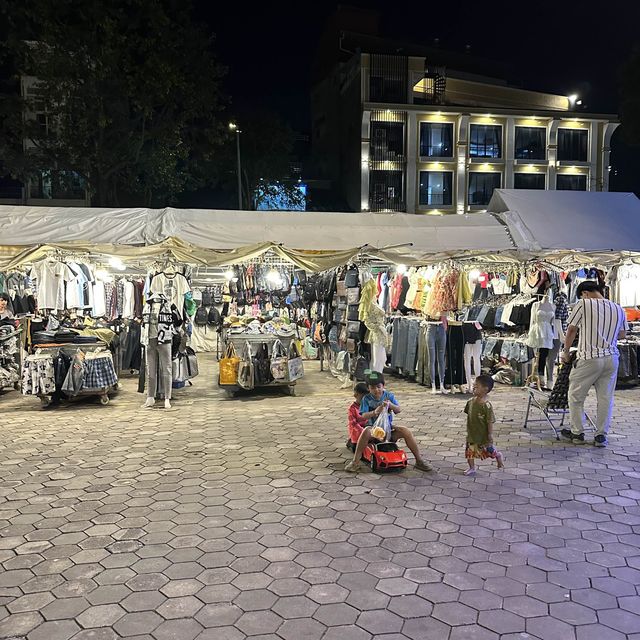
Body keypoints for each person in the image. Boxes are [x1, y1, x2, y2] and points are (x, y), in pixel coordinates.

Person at [561, 281, 628, 447]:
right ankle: (600, 436)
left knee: (576, 396)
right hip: (611, 358)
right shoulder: (618, 308)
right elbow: (622, 334)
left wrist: (566, 351)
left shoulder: (583, 303)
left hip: (589, 357)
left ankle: (577, 433)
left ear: (585, 293)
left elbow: (571, 329)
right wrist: (605, 336)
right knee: (605, 398)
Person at [345, 371, 433, 473]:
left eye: (378, 387)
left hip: (388, 431)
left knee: (405, 431)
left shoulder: (389, 396)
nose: (376, 390)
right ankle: (355, 463)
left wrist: (390, 405)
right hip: (374, 432)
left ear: (383, 386)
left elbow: (398, 410)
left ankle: (419, 461)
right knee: (366, 431)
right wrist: (374, 412)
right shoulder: (366, 399)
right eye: (372, 388)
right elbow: (363, 415)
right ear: (368, 388)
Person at [464, 374, 504, 476]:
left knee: (489, 452)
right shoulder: (470, 402)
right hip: (472, 434)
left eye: (476, 386)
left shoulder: (487, 406)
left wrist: (490, 434)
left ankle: (498, 455)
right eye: (474, 385)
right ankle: (472, 468)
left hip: (483, 436)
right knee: (469, 453)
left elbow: (489, 421)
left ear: (485, 389)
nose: (474, 387)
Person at [347, 382, 369, 451]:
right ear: (356, 395)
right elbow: (353, 423)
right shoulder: (352, 409)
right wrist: (362, 431)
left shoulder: (368, 406)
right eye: (362, 398)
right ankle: (350, 442)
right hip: (357, 431)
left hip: (367, 430)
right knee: (356, 448)